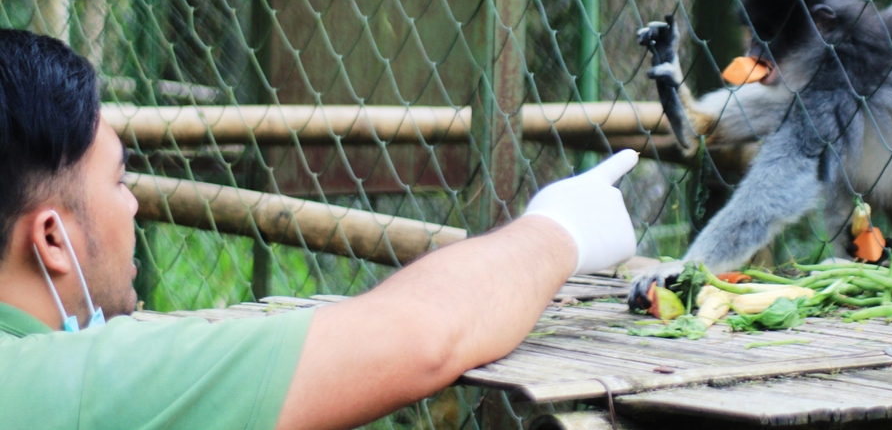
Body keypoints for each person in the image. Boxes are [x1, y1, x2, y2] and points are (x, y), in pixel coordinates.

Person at [0, 29, 640, 430]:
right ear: (52, 238)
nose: (135, 206)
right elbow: (419, 335)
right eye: (118, 182)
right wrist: (559, 227)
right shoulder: (61, 388)